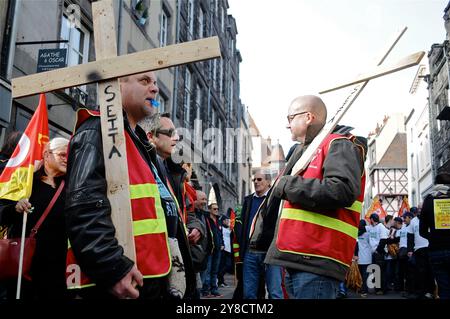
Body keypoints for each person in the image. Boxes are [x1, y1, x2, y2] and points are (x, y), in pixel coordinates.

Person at [65, 71, 172, 299]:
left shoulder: (139, 143)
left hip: (146, 279)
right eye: (144, 81)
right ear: (116, 86)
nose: (155, 89)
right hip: (118, 284)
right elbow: (83, 208)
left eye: (155, 83)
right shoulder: (96, 131)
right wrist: (113, 269)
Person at [262, 95, 366, 299]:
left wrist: (287, 184)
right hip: (300, 256)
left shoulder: (338, 144)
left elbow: (341, 190)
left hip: (316, 258)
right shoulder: (306, 151)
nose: (287, 124)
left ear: (308, 117)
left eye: (291, 117)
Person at [2, 137, 69, 299]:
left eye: (70, 155)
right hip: (23, 272)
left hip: (57, 273)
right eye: (62, 155)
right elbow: (2, 214)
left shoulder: (72, 187)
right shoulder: (26, 183)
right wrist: (15, 208)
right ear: (47, 155)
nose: (67, 159)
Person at [142, 112, 198, 299]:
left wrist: (196, 227)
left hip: (176, 257)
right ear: (151, 137)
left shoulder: (173, 171)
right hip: (152, 265)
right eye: (170, 132)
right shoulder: (142, 165)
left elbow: (189, 210)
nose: (176, 138)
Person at [239, 170, 283, 299]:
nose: (256, 182)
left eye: (259, 179)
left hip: (271, 252)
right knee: (249, 294)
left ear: (269, 182)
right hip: (250, 253)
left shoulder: (276, 200)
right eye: (254, 180)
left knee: (275, 293)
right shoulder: (248, 201)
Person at [419, 173, 450, 299]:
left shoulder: (429, 199)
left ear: (435, 184)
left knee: (444, 288)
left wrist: (433, 238)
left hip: (436, 250)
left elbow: (422, 230)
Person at [407, 206, 435, 299]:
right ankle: (421, 292)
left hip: (429, 247)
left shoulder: (430, 217)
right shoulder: (413, 221)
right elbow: (410, 236)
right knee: (419, 272)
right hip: (418, 250)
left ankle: (430, 291)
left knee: (430, 271)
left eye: (421, 208)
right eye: (418, 209)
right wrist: (410, 250)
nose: (419, 210)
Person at [201, 203, 223, 297]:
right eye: (214, 209)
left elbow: (220, 233)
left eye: (217, 209)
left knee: (215, 270)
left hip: (218, 249)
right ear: (209, 209)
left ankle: (214, 289)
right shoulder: (206, 219)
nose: (216, 210)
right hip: (209, 249)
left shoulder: (218, 220)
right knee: (208, 270)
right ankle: (206, 291)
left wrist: (222, 243)